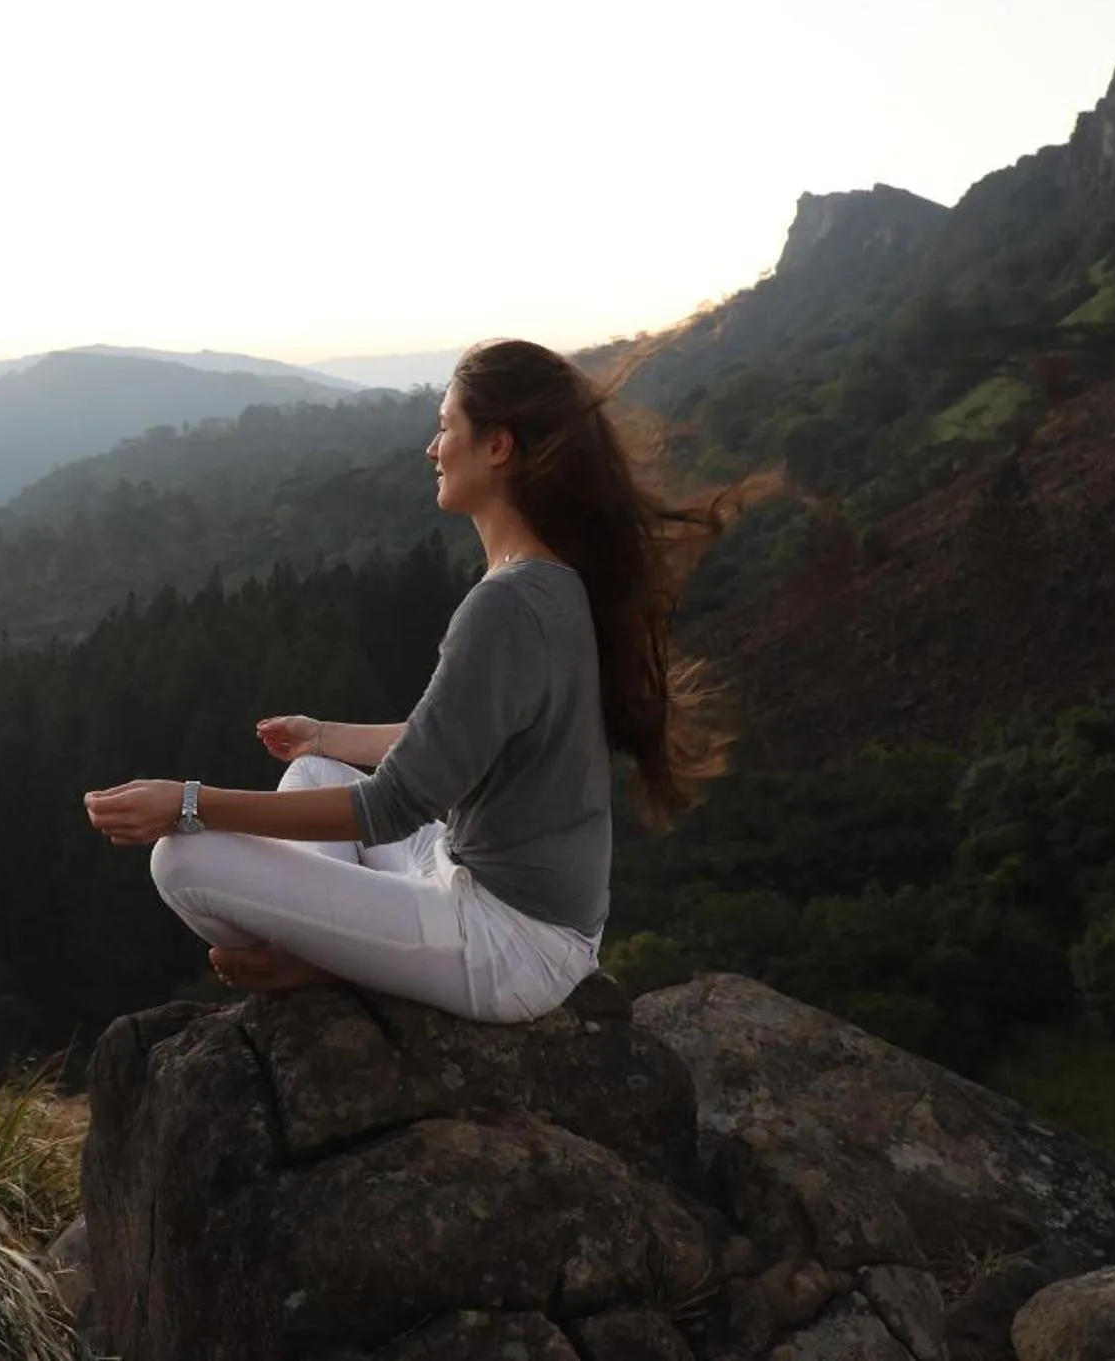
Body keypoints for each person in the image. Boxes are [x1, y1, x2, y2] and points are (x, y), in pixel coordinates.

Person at [81, 338, 748, 1021]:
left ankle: (329, 960)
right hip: (485, 889)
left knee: (183, 861)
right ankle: (343, 950)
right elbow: (457, 740)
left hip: (510, 943)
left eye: (444, 427)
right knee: (314, 771)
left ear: (497, 447)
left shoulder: (509, 602)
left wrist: (188, 802)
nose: (432, 448)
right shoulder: (550, 582)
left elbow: (389, 808)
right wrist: (326, 736)